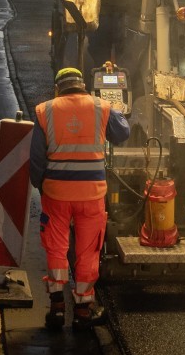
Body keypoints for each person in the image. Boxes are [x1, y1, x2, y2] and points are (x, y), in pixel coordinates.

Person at [31, 66, 132, 328]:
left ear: (58, 88)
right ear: (84, 85)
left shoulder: (45, 111)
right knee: (88, 250)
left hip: (56, 194)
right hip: (91, 195)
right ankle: (84, 311)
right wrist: (114, 108)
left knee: (56, 247)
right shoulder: (100, 107)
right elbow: (122, 134)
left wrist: (41, 185)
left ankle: (56, 308)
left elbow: (36, 159)